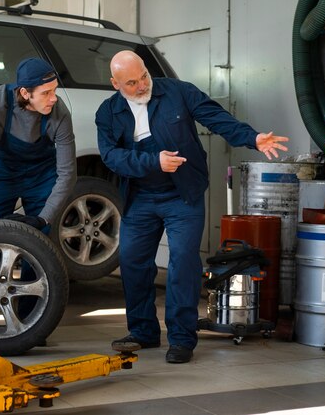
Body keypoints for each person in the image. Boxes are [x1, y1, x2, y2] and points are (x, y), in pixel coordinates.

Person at [95, 50, 289, 364]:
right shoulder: (108, 112)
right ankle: (143, 331)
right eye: (131, 83)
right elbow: (111, 157)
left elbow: (218, 119)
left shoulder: (178, 92)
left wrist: (253, 138)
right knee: (131, 262)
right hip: (140, 196)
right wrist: (153, 161)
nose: (142, 84)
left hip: (182, 193)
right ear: (115, 84)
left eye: (144, 75)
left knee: (184, 263)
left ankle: (182, 338)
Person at [0, 57, 76, 311]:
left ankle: (30, 321)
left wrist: (44, 218)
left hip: (42, 176)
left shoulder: (60, 114)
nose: (54, 98)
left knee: (38, 250)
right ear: (25, 93)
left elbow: (67, 172)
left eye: (54, 90)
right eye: (46, 93)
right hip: (5, 172)